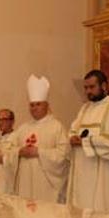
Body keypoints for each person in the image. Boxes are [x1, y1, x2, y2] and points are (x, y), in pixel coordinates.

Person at [66, 69, 109, 214]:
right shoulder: (85, 108)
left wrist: (85, 142)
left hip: (106, 174)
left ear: (103, 86)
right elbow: (73, 129)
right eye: (86, 88)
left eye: (91, 87)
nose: (88, 91)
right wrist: (72, 138)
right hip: (83, 175)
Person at [10, 74, 70, 202]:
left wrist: (39, 152)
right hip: (25, 183)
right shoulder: (23, 128)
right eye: (32, 105)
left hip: (46, 186)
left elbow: (63, 155)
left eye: (38, 104)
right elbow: (9, 149)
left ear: (46, 106)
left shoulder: (56, 127)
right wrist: (19, 152)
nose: (34, 108)